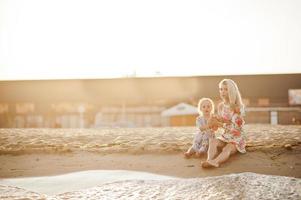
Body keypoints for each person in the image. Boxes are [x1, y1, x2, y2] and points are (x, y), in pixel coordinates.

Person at [201, 79, 246, 168]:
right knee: (212, 141)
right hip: (225, 136)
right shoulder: (221, 106)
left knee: (227, 148)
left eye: (226, 89)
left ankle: (216, 162)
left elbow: (235, 128)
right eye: (221, 89)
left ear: (232, 91)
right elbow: (219, 125)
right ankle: (209, 160)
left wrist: (219, 123)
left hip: (236, 138)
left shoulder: (238, 108)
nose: (223, 92)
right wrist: (213, 122)